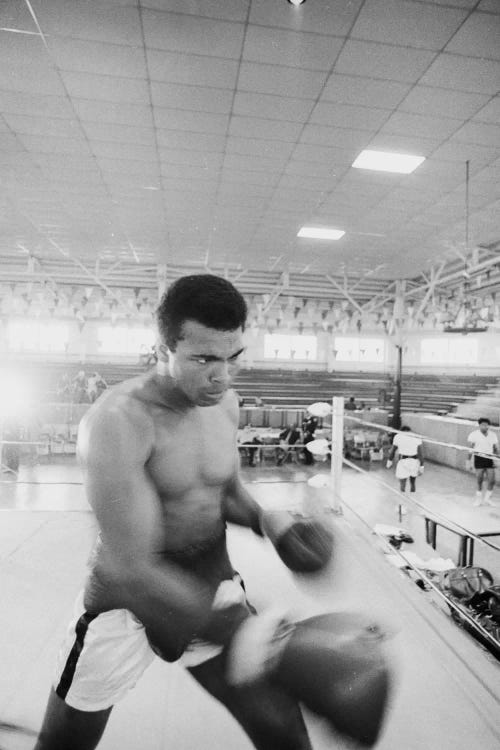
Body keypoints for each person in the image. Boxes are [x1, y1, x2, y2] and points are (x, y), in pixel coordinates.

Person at [33, 274, 390, 750]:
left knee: (282, 728)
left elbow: (225, 490)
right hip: (127, 602)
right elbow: (132, 567)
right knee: (64, 745)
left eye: (233, 358)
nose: (221, 376)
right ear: (163, 348)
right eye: (203, 359)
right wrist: (254, 634)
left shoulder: (224, 404)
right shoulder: (118, 421)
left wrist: (270, 522)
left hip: (209, 576)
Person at [467, 417, 498, 507]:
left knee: (492, 480)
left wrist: (497, 459)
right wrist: (468, 461)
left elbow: (496, 448)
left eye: (487, 425)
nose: (485, 426)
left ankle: (487, 499)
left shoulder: (493, 435)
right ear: (479, 425)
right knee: (479, 480)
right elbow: (470, 448)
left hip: (489, 458)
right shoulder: (474, 435)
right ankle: (478, 499)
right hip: (479, 458)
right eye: (483, 425)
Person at [386, 426, 424, 493]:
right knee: (413, 483)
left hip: (403, 461)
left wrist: (389, 461)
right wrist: (421, 466)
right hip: (414, 462)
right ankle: (412, 497)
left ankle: (402, 501)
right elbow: (420, 453)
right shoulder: (416, 437)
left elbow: (393, 450)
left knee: (402, 483)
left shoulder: (398, 436)